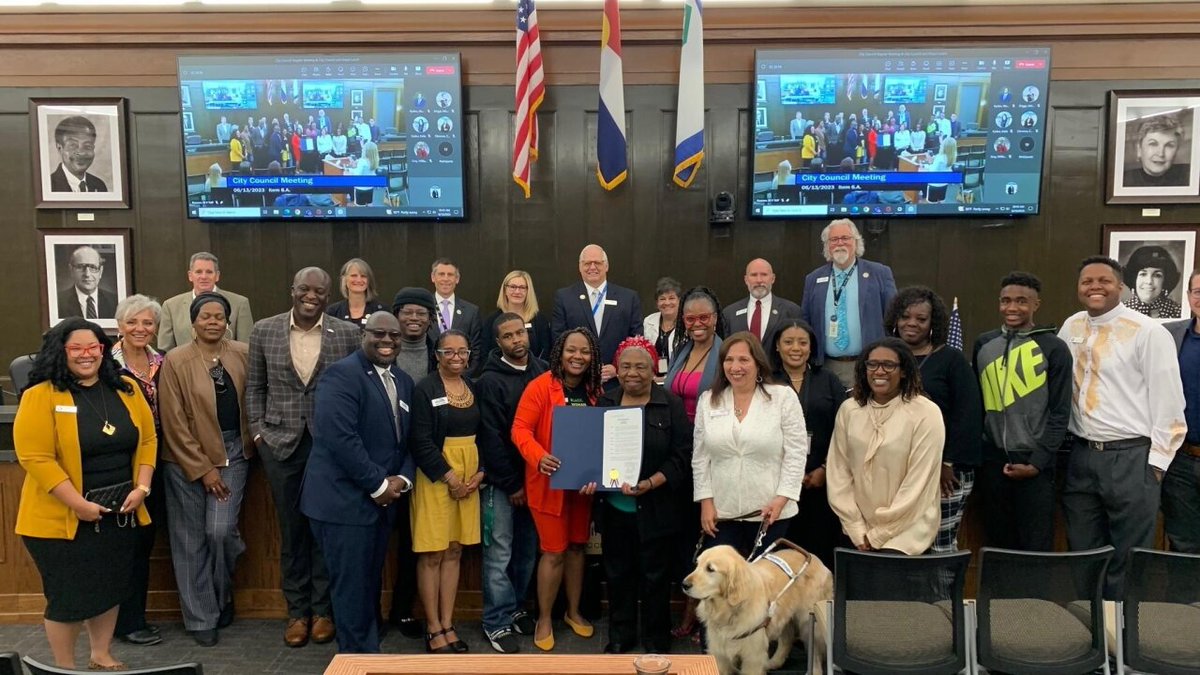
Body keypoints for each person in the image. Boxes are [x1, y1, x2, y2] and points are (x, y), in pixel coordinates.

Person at [14, 319, 156, 670]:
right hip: (61, 519)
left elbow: (149, 440)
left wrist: (142, 487)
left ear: (104, 350)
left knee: (109, 587)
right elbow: (36, 457)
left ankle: (100, 653)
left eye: (93, 347)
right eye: (75, 348)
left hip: (118, 513)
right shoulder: (41, 394)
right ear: (60, 353)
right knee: (68, 598)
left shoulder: (126, 388)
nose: (86, 354)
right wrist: (78, 505)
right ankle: (65, 667)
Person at [245, 268, 362, 647]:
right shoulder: (265, 329)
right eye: (305, 289)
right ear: (292, 290)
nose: (312, 296)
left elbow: (355, 387)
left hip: (329, 447)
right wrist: (259, 434)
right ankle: (297, 613)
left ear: (329, 296)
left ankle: (323, 611)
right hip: (281, 445)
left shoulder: (346, 333)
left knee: (324, 530)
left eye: (320, 291)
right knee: (292, 531)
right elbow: (255, 387)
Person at [1058, 256, 1186, 598]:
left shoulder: (1148, 332)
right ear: (1079, 287)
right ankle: (1091, 631)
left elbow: (1170, 402)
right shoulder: (1070, 327)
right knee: (1082, 552)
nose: (1095, 287)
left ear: (1121, 286)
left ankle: (1122, 642)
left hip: (1132, 457)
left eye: (1104, 281)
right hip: (1081, 455)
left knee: (1127, 558)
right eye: (1087, 281)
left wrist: (1156, 465)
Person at [299, 312, 417, 654]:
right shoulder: (341, 375)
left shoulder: (403, 380)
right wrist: (379, 485)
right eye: (379, 333)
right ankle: (358, 659)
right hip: (342, 502)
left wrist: (403, 479)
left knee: (367, 583)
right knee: (351, 587)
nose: (387, 340)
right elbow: (340, 439)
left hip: (381, 504)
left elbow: (406, 442)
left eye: (394, 336)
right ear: (363, 334)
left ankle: (364, 648)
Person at [157, 292, 254, 647]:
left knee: (220, 530)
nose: (212, 322)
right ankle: (200, 617)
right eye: (205, 316)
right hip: (184, 459)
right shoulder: (176, 359)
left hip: (234, 452)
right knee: (189, 539)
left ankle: (220, 596)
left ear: (227, 321)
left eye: (219, 316)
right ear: (193, 321)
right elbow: (173, 420)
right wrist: (202, 469)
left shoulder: (242, 353)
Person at [597, 337, 692, 655]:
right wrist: (588, 478)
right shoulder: (605, 403)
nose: (632, 372)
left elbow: (682, 456)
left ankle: (656, 640)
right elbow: (593, 455)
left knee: (656, 578)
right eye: (625, 366)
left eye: (640, 366)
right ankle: (621, 636)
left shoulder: (671, 404)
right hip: (615, 509)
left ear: (654, 370)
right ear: (617, 370)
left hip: (657, 506)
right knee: (618, 576)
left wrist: (651, 483)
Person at [512, 328, 604, 651]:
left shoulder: (595, 391)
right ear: (559, 354)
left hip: (583, 487)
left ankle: (573, 612)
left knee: (578, 547)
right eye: (571, 351)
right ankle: (545, 617)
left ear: (593, 356)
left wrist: (600, 473)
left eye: (585, 352)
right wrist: (540, 457)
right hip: (549, 484)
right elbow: (520, 430)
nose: (577, 357)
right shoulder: (540, 387)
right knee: (553, 551)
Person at [973, 272, 1072, 552]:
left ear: (1036, 305)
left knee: (1035, 546)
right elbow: (979, 404)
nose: (1012, 307)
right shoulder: (983, 344)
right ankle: (998, 598)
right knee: (996, 545)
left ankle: (1032, 599)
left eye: (1021, 301)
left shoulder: (1054, 347)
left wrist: (1038, 462)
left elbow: (1060, 412)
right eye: (1006, 301)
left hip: (1035, 465)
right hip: (993, 463)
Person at [693, 332, 808, 558]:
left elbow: (796, 453)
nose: (735, 366)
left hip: (770, 512)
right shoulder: (708, 400)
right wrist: (706, 502)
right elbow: (700, 457)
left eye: (743, 360)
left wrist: (782, 498)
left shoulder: (782, 397)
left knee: (766, 584)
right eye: (729, 360)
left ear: (758, 363)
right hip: (722, 514)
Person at [885, 287, 982, 553]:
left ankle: (943, 597)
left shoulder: (951, 361)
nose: (911, 323)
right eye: (905, 316)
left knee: (939, 545)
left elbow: (968, 416)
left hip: (945, 472)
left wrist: (946, 462)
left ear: (933, 323)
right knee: (901, 545)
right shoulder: (886, 357)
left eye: (921, 318)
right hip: (899, 470)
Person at [826, 338, 944, 554]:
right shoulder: (849, 410)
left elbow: (918, 485)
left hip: (906, 531)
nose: (879, 371)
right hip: (857, 533)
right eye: (872, 364)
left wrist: (879, 534)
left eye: (889, 365)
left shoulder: (926, 413)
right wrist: (856, 528)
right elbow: (838, 474)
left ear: (905, 371)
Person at [475, 312, 548, 653]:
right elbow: (491, 437)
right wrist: (512, 483)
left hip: (537, 479)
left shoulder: (543, 371)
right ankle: (496, 621)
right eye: (508, 336)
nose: (517, 340)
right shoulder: (489, 381)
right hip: (503, 485)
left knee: (527, 551)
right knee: (499, 554)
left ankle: (516, 606)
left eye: (520, 332)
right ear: (499, 342)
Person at [409, 330, 483, 654]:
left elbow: (485, 434)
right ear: (437, 355)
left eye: (462, 351)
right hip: (437, 475)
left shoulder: (474, 387)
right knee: (433, 553)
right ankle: (433, 626)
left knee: (454, 550)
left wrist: (479, 475)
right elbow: (420, 440)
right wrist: (451, 478)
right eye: (449, 352)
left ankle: (449, 622)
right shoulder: (425, 388)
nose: (457, 357)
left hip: (470, 478)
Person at [111, 295, 167, 647]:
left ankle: (134, 617)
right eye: (132, 322)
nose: (140, 329)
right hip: (116, 463)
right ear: (120, 326)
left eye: (147, 323)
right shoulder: (104, 363)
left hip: (158, 460)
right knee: (121, 544)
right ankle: (119, 620)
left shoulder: (162, 362)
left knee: (144, 540)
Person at [770, 319, 847, 568]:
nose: (796, 348)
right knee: (782, 555)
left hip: (821, 483)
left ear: (812, 347)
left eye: (803, 342)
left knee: (820, 554)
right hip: (777, 484)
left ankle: (820, 606)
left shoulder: (829, 381)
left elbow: (843, 430)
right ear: (777, 347)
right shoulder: (766, 382)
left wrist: (825, 469)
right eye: (788, 342)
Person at [385, 287, 439, 637]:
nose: (414, 318)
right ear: (396, 317)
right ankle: (370, 611)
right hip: (385, 458)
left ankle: (403, 610)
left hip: (427, 460)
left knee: (413, 541)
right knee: (378, 541)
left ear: (431, 319)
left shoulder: (441, 354)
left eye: (421, 313)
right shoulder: (383, 352)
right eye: (407, 312)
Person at [801, 218, 898, 388]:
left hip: (870, 365)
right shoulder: (813, 279)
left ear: (856, 242)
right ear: (827, 245)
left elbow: (894, 317)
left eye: (845, 238)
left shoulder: (879, 273)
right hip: (826, 367)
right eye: (834, 239)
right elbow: (806, 321)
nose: (840, 243)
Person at [551, 244, 643, 388]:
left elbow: (636, 339)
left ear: (606, 266)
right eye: (587, 263)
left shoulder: (629, 298)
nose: (592, 267)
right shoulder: (564, 297)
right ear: (580, 267)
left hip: (617, 383)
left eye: (597, 263)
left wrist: (619, 367)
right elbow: (558, 339)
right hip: (578, 383)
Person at [1164, 269, 1200, 553]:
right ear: (1189, 296)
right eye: (1198, 291)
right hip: (1181, 460)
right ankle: (1182, 601)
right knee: (1182, 543)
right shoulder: (1169, 336)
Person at [159, 252, 253, 351]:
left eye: (209, 272)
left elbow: (246, 348)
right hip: (184, 365)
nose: (204, 277)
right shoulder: (171, 306)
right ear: (190, 275)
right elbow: (165, 351)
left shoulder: (239, 304)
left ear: (217, 275)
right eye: (198, 272)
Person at [665, 287, 726, 422]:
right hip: (677, 434)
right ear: (683, 320)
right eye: (690, 319)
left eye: (704, 317)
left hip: (709, 431)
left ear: (715, 318)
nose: (697, 324)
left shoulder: (726, 354)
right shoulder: (678, 352)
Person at [723, 258, 803, 347]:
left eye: (764, 275)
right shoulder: (729, 314)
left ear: (772, 279)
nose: (759, 280)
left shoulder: (792, 311)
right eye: (754, 275)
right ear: (746, 280)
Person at [484, 270, 552, 366]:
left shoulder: (540, 320)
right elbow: (485, 352)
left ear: (528, 291)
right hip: (500, 374)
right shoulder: (492, 320)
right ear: (505, 290)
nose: (517, 291)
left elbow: (545, 351)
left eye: (522, 287)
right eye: (513, 287)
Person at [429, 258, 485, 371]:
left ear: (457, 279)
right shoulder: (424, 309)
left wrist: (466, 376)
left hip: (461, 377)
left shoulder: (471, 311)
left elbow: (476, 350)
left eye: (450, 275)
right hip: (429, 376)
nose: (445, 279)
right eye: (441, 274)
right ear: (433, 277)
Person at [1122, 114, 1191, 188]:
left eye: (1169, 145)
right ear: (1139, 149)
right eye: (1153, 144)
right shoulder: (1123, 180)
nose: (1161, 153)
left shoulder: (1188, 177)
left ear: (1177, 150)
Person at [1122, 244, 1184, 318]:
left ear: (1165, 280)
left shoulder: (1178, 312)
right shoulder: (1121, 312)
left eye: (1157, 275)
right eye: (1143, 274)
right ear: (1133, 278)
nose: (1149, 281)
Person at [642, 276, 686, 378]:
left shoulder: (686, 323)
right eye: (662, 299)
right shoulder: (648, 321)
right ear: (657, 303)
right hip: (652, 379)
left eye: (671, 298)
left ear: (679, 301)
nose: (667, 302)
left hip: (678, 378)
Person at [49, 116, 108, 192]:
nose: (81, 153)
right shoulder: (48, 187)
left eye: (87, 146)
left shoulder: (99, 186)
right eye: (73, 145)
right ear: (60, 148)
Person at [57, 245, 118, 319]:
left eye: (93, 267)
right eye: (80, 267)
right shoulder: (58, 302)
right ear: (71, 270)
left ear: (101, 271)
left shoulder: (115, 301)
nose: (87, 274)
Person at [326, 257, 387, 328]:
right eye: (354, 276)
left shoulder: (381, 311)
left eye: (363, 276)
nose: (358, 280)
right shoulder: (333, 312)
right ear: (344, 280)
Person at [922, 135, 957, 203]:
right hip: (944, 184)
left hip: (934, 185)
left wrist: (925, 166)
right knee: (941, 202)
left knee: (932, 206)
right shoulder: (953, 155)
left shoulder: (940, 157)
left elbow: (932, 171)